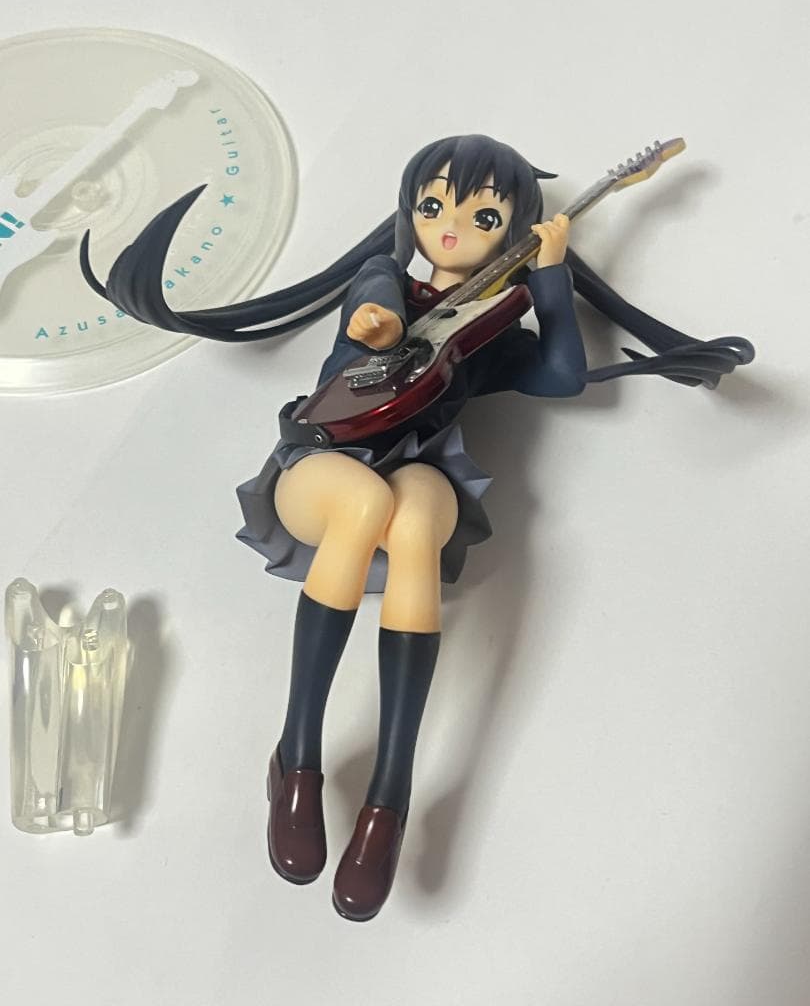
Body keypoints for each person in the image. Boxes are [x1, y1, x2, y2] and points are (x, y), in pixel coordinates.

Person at [80, 133, 754, 922]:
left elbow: (563, 376)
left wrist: (549, 278)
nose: (451, 227)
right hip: (323, 460)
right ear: (410, 212)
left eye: (483, 216)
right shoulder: (385, 278)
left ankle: (388, 800)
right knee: (367, 504)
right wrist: (376, 326)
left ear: (512, 229)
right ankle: (296, 758)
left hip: (417, 467)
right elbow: (369, 323)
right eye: (433, 205)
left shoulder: (491, 326)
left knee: (417, 516)